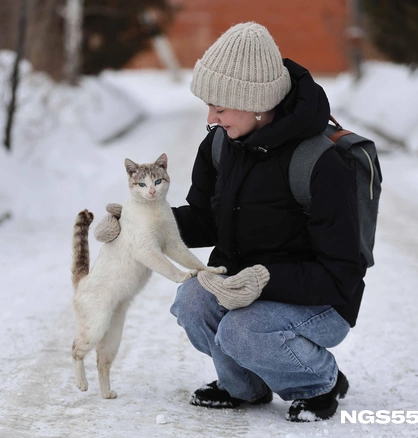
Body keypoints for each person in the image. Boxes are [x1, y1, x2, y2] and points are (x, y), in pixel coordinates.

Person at [94, 22, 366, 422]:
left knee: (244, 329)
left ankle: (319, 382)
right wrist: (137, 223)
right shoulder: (222, 144)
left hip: (322, 303)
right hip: (242, 288)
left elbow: (343, 273)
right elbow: (206, 220)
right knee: (191, 301)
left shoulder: (319, 163)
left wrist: (265, 278)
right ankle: (245, 387)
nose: (211, 117)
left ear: (255, 101)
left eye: (219, 107)